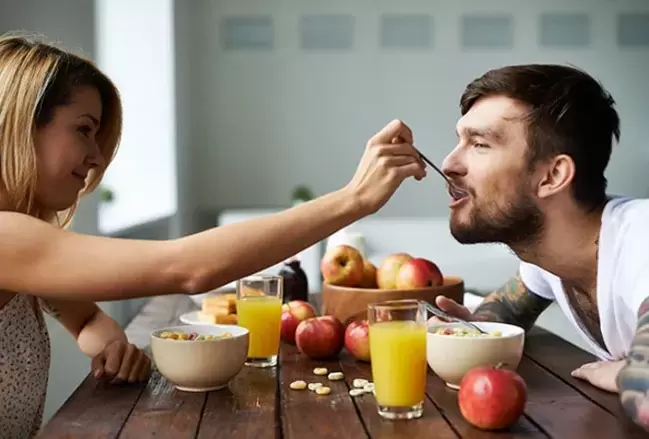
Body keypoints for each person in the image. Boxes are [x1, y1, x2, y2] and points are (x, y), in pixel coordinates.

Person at [0, 35, 427, 438]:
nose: (95, 157)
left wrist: (112, 345)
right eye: (83, 129)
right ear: (21, 124)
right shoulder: (6, 239)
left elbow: (87, 318)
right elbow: (187, 267)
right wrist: (352, 199)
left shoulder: (27, 242)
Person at [431, 63, 649, 431]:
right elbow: (503, 312)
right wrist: (468, 331)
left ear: (552, 176)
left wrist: (626, 375)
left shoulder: (641, 239)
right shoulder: (551, 254)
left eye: (479, 144)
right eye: (460, 141)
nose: (449, 163)